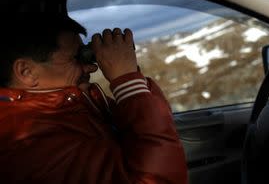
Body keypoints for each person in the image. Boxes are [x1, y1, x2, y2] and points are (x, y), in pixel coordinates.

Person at [0, 13, 188, 184]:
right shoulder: (26, 144)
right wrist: (126, 80)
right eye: (76, 58)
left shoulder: (77, 103)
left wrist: (130, 77)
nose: (91, 68)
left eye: (86, 56)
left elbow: (155, 130)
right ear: (27, 72)